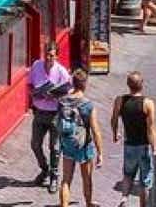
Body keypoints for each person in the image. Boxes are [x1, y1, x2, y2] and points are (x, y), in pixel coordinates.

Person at [55, 67, 101, 207]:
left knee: (66, 179)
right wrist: (100, 152)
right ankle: (88, 204)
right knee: (86, 178)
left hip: (67, 142)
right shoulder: (88, 105)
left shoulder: (62, 101)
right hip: (83, 145)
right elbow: (95, 130)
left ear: (73, 83)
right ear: (85, 84)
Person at [111, 70, 156, 206]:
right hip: (143, 145)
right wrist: (154, 147)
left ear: (128, 84)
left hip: (129, 144)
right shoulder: (147, 103)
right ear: (141, 85)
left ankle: (124, 198)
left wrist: (115, 133)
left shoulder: (120, 100)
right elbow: (151, 128)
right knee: (145, 181)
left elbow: (113, 119)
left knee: (128, 174)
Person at [28, 51, 73, 188]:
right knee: (35, 144)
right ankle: (45, 169)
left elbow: (69, 92)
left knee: (54, 147)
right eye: (47, 55)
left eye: (52, 56)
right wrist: (34, 92)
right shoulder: (36, 66)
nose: (49, 58)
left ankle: (54, 175)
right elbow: (29, 85)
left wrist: (55, 96)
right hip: (39, 112)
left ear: (57, 56)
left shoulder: (62, 72)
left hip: (54, 114)